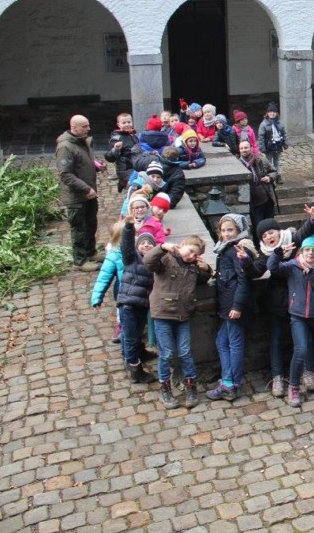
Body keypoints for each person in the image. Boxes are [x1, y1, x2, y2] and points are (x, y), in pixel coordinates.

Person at [247, 210, 314, 397]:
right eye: (264, 236)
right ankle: (278, 376)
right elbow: (256, 271)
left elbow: (305, 231)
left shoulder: (292, 240)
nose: (268, 236)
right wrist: (245, 261)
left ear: (279, 231)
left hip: (300, 298)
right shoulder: (267, 254)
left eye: (271, 232)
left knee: (305, 337)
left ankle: (308, 371)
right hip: (277, 301)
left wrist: (313, 219)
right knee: (276, 339)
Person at [144, 236, 213, 410]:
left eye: (194, 255)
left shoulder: (192, 268)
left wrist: (207, 268)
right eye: (190, 251)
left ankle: (191, 386)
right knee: (166, 353)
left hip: (183, 314)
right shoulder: (166, 259)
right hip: (163, 313)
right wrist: (162, 247)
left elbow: (203, 279)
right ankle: (165, 388)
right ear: (182, 245)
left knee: (185, 352)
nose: (190, 256)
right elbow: (148, 262)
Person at [267, 234, 314, 408]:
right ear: (302, 251)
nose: (310, 253)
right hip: (297, 316)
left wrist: (312, 275)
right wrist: (277, 253)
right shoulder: (292, 266)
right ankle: (294, 387)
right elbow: (273, 268)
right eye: (307, 250)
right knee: (301, 350)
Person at [206, 214, 256, 402]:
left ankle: (231, 383)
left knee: (234, 342)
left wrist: (237, 306)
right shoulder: (225, 249)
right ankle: (228, 379)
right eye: (224, 230)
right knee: (222, 341)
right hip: (227, 303)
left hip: (234, 305)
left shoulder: (237, 249)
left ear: (239, 231)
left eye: (230, 230)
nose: (227, 234)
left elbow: (243, 280)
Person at [115, 216, 157, 385]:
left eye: (150, 244)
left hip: (142, 304)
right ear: (137, 246)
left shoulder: (155, 263)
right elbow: (126, 245)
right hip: (129, 303)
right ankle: (134, 369)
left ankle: (134, 353)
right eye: (143, 243)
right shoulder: (132, 259)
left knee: (135, 333)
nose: (146, 245)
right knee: (131, 336)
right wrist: (129, 227)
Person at [56, 114, 101, 270]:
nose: (88, 129)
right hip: (77, 196)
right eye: (84, 126)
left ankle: (91, 252)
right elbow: (65, 174)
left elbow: (82, 161)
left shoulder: (83, 142)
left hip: (89, 193)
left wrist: (94, 165)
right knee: (79, 228)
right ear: (73, 127)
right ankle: (80, 261)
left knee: (91, 224)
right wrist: (85, 188)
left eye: (88, 125)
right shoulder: (65, 147)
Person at [237, 140, 277, 240]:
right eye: (241, 148)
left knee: (270, 224)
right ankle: (261, 246)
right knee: (259, 227)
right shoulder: (238, 164)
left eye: (246, 147)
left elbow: (274, 171)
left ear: (250, 148)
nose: (244, 150)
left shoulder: (261, 160)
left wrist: (269, 177)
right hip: (254, 203)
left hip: (267, 197)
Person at [104, 112, 140, 193]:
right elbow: (110, 157)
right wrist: (116, 149)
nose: (127, 124)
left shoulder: (134, 135)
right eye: (124, 123)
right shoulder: (116, 138)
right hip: (125, 169)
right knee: (133, 189)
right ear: (119, 125)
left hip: (135, 166)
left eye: (129, 122)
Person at [258, 102, 289, 172]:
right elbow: (261, 137)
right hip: (268, 146)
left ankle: (277, 175)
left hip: (277, 145)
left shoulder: (280, 123)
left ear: (277, 113)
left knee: (277, 161)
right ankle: (270, 175)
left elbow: (284, 134)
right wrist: (262, 147)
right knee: (268, 162)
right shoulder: (263, 124)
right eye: (270, 112)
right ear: (267, 113)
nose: (272, 113)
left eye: (274, 112)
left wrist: (285, 143)